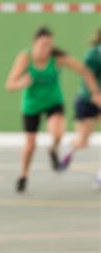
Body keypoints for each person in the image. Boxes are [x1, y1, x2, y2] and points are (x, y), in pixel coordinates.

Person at [6, 27, 101, 193]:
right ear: (34, 43)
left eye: (49, 45)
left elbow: (84, 71)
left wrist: (95, 92)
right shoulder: (25, 58)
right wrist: (21, 83)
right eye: (43, 45)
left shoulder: (56, 58)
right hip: (32, 105)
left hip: (53, 102)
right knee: (30, 144)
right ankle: (23, 175)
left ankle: (53, 148)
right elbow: (9, 85)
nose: (46, 49)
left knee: (57, 133)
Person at [59, 30, 101, 177]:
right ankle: (69, 148)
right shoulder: (94, 54)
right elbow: (87, 76)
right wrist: (95, 94)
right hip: (87, 100)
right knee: (83, 142)